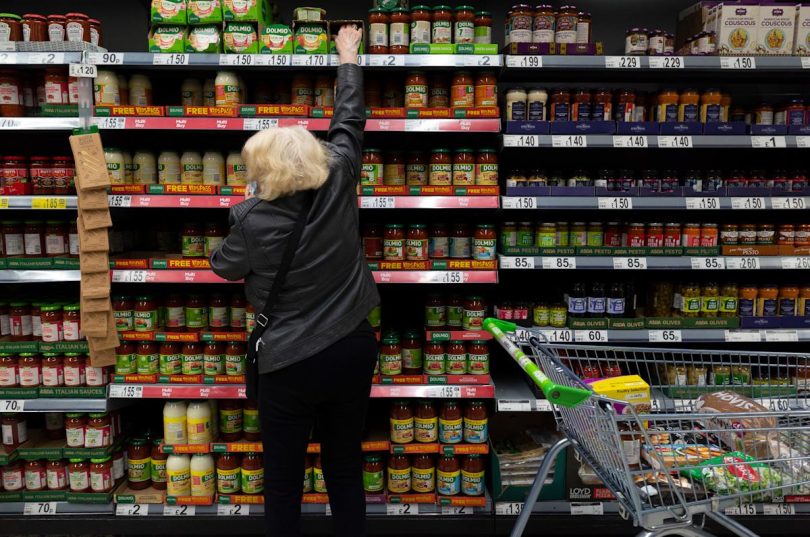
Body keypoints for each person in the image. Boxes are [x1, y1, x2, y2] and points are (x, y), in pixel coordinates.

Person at [210, 25, 379, 537]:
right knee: (344, 467)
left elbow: (223, 266)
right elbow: (349, 119)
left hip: (287, 358)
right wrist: (347, 56)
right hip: (350, 346)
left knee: (283, 479)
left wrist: (246, 205)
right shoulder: (341, 177)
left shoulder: (251, 219)